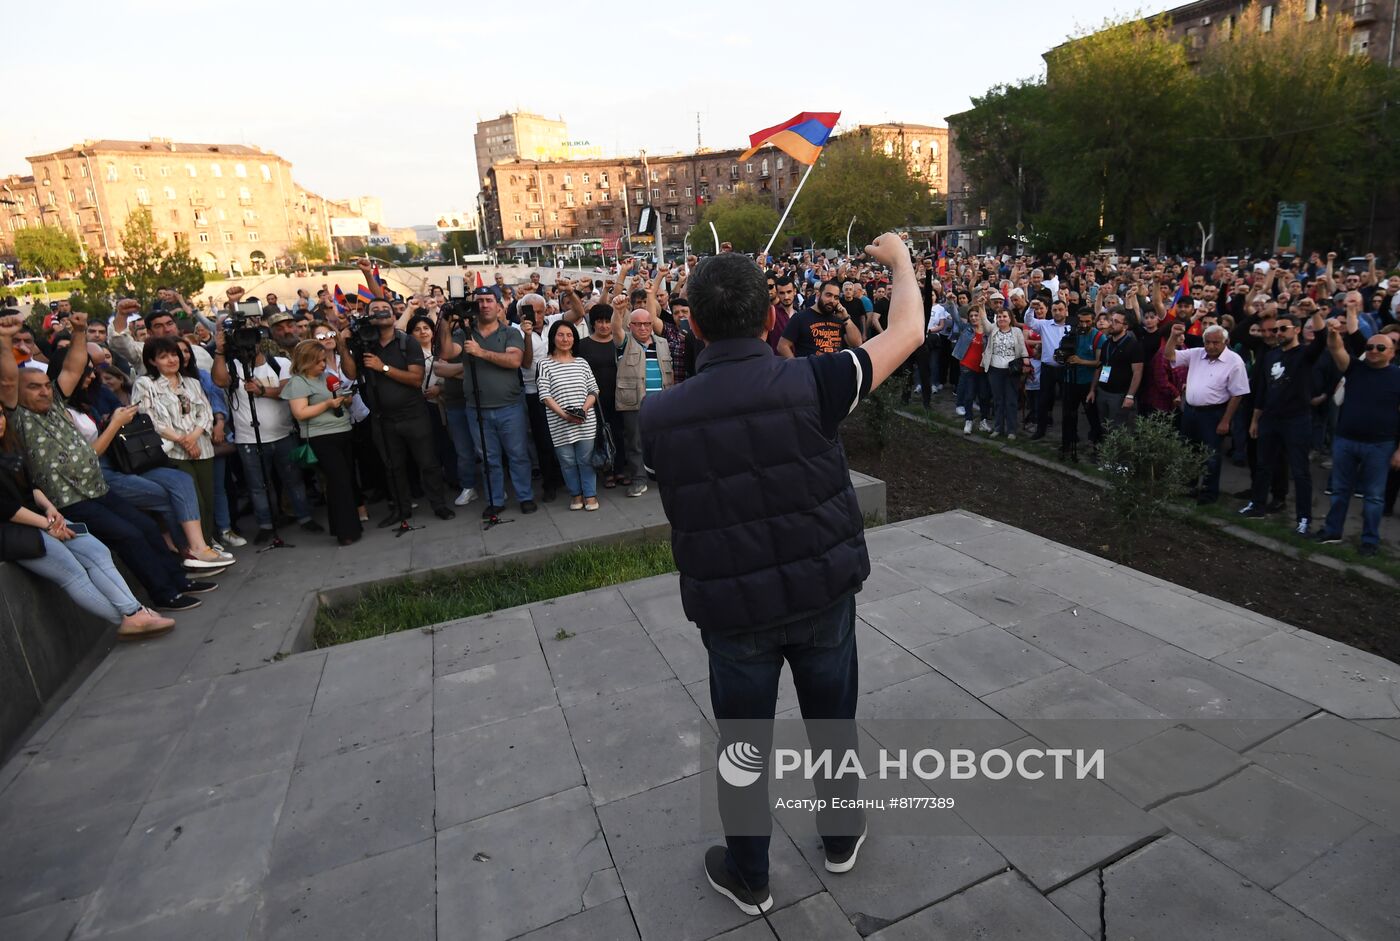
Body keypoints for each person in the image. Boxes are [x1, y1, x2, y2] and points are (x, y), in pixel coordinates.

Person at [640, 233, 924, 916]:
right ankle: (840, 834)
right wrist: (902, 262)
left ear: (695, 324)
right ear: (772, 318)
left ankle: (749, 873)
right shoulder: (816, 381)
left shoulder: (659, 415)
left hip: (734, 615)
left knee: (743, 745)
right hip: (823, 596)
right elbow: (910, 329)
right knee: (833, 721)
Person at [0, 314, 212, 611]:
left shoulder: (58, 403)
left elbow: (73, 367)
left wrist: (78, 330)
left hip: (97, 487)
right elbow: (9, 379)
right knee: (129, 535)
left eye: (46, 385)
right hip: (67, 499)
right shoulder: (16, 416)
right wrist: (5, 340)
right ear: (18, 395)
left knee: (147, 528)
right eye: (34, 387)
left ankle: (179, 580)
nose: (45, 390)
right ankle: (165, 594)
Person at [1, 408, 177, 640]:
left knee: (97, 551)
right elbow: (7, 509)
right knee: (73, 573)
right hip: (16, 531)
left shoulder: (9, 447)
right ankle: (129, 618)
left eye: (1, 414)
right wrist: (47, 524)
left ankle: (134, 612)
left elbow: (31, 486)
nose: (0, 421)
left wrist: (50, 510)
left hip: (43, 518)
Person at [340, 290, 454, 527]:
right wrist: (343, 345)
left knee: (428, 462)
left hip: (413, 414)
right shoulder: (364, 344)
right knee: (393, 467)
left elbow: (415, 379)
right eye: (374, 311)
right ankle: (401, 510)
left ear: (394, 316)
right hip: (382, 419)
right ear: (367, 317)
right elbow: (351, 373)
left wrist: (383, 368)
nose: (380, 313)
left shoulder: (407, 342)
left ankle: (439, 505)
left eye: (385, 309)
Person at [211, 321, 320, 543]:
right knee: (257, 486)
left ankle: (305, 517)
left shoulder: (279, 362)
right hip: (248, 440)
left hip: (283, 435)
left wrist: (262, 391)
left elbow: (287, 390)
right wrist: (220, 350)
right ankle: (266, 524)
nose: (249, 344)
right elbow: (219, 380)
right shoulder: (233, 366)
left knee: (294, 480)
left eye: (251, 338)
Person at [435, 286, 534, 517]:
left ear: (499, 305)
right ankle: (495, 499)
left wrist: (481, 353)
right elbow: (447, 352)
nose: (484, 305)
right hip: (476, 407)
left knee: (518, 454)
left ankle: (525, 496)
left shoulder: (510, 333)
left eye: (489, 300)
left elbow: (514, 361)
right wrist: (445, 323)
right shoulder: (464, 333)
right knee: (488, 459)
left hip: (510, 406)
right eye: (480, 301)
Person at [1310, 317, 1400, 555]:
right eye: (1370, 347)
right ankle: (1332, 531)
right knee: (1340, 490)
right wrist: (1332, 332)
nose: (1373, 351)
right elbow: (1336, 348)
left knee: (1374, 498)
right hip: (1346, 440)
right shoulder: (1355, 368)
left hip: (1380, 445)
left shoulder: (1397, 377)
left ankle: (1369, 541)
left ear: (1392, 353)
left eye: (1381, 347)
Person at [1241, 307, 1328, 534]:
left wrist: (1315, 311)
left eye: (1283, 328)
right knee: (1263, 465)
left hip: (1297, 420)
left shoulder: (1305, 354)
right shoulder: (1271, 355)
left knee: (1300, 472)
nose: (1277, 333)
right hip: (1269, 418)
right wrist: (1255, 420)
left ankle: (1304, 519)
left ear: (1297, 330)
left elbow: (1322, 338)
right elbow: (1262, 390)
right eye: (1276, 329)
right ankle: (1258, 505)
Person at [132, 337, 221, 549]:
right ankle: (194, 549)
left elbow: (205, 413)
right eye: (164, 357)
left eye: (174, 355)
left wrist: (193, 437)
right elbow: (148, 418)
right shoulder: (145, 384)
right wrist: (182, 440)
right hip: (172, 451)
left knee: (208, 500)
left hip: (202, 447)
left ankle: (208, 543)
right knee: (193, 501)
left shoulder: (192, 382)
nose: (171, 360)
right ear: (152, 361)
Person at [283, 340, 361, 546]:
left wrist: (345, 399)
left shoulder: (328, 377)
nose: (322, 365)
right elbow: (300, 412)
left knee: (344, 481)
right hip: (321, 437)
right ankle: (346, 531)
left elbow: (343, 395)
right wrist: (327, 404)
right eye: (317, 362)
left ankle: (347, 526)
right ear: (305, 361)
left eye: (323, 361)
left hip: (343, 431)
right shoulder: (298, 382)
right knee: (339, 481)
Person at [1165, 323, 1250, 504]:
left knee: (1211, 455)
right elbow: (1169, 355)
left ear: (1225, 342)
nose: (1211, 346)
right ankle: (1189, 485)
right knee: (1189, 450)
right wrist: (1173, 336)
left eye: (1216, 343)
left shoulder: (1234, 361)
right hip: (1191, 411)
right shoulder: (1197, 353)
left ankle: (1209, 493)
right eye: (1208, 342)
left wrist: (1226, 421)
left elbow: (1238, 394)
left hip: (1213, 414)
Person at [610, 297, 674, 498]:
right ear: (631, 325)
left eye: (647, 323)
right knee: (635, 442)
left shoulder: (662, 342)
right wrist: (617, 310)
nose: (644, 328)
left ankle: (665, 476)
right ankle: (639, 479)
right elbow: (615, 329)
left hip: (661, 402)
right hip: (634, 401)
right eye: (638, 324)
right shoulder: (625, 341)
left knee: (663, 441)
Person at [537, 321, 600, 511]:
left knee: (586, 460)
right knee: (567, 462)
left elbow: (594, 389)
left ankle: (590, 494)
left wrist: (583, 410)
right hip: (559, 423)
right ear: (553, 337)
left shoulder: (582, 362)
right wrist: (565, 415)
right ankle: (576, 494)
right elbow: (545, 395)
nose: (565, 339)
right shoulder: (545, 364)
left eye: (569, 335)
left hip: (585, 421)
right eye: (560, 335)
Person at [979, 303, 1029, 439]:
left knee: (1011, 400)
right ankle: (998, 428)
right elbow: (984, 321)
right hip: (995, 370)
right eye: (999, 316)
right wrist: (981, 306)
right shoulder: (993, 329)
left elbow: (1022, 347)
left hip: (1011, 371)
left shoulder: (1017, 332)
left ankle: (1012, 430)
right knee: (998, 400)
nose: (1001, 319)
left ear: (1010, 318)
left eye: (1004, 316)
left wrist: (1026, 361)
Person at [777, 280, 862, 358]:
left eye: (836, 297)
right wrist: (797, 366)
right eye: (828, 295)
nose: (832, 300)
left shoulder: (839, 319)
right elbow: (782, 346)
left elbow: (857, 343)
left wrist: (846, 318)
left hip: (834, 371)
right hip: (810, 371)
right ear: (818, 295)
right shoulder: (800, 317)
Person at [1090, 310, 1144, 432]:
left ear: (1125, 326)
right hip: (1103, 391)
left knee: (1117, 429)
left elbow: (1137, 372)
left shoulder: (1133, 345)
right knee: (1104, 426)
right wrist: (1093, 389)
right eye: (1111, 321)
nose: (1111, 324)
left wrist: (1130, 396)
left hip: (1120, 395)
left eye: (1116, 322)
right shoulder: (1107, 343)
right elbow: (1101, 366)